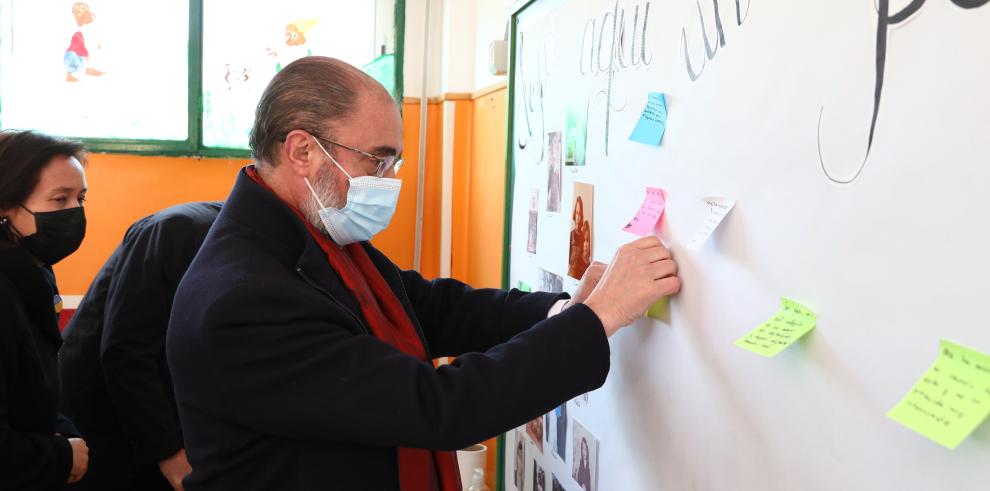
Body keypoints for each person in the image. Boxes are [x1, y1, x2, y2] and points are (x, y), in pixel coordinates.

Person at [166, 56, 681, 490]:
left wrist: (563, 309)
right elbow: (438, 406)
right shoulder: (244, 299)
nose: (389, 182)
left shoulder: (310, 235)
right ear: (302, 151)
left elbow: (429, 306)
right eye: (378, 161)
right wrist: (599, 318)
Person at [59, 202, 222, 491]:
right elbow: (127, 351)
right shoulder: (178, 230)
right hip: (107, 421)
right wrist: (168, 452)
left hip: (158, 418)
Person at [0, 130, 90, 489]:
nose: (76, 213)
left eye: (81, 198)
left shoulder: (34, 267)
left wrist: (61, 433)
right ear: (5, 207)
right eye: (59, 199)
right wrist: (60, 456)